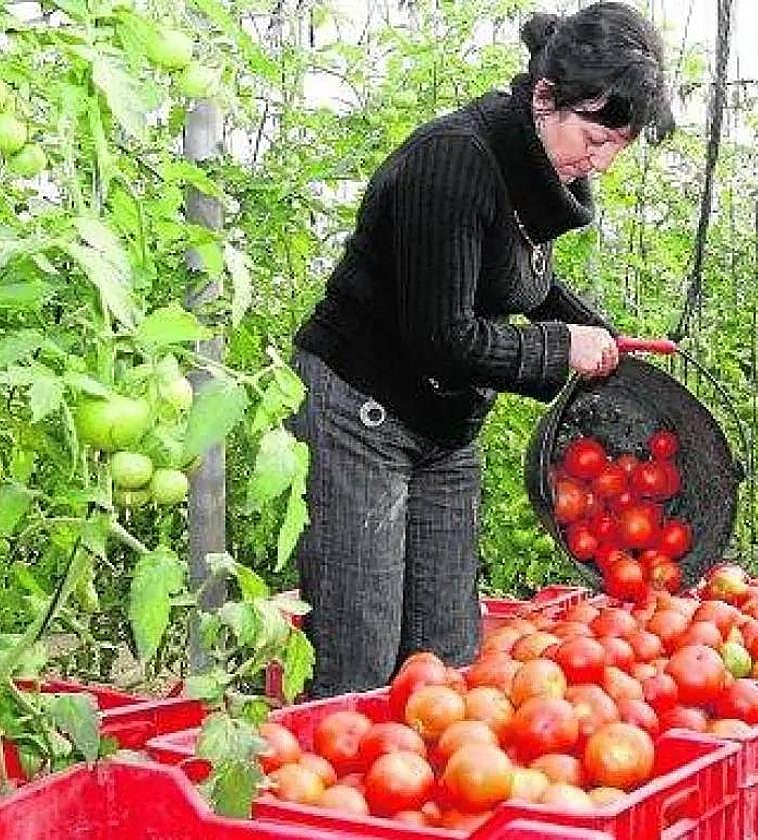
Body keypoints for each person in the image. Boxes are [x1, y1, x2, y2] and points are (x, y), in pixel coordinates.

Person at [289, 1, 675, 698]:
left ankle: (418, 801)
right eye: (595, 136)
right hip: (360, 410)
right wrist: (560, 348)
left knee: (446, 658)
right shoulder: (456, 160)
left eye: (618, 145)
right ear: (544, 96)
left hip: (444, 426)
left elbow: (519, 277)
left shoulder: (536, 167)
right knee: (358, 660)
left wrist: (597, 330)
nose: (603, 162)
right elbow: (443, 338)